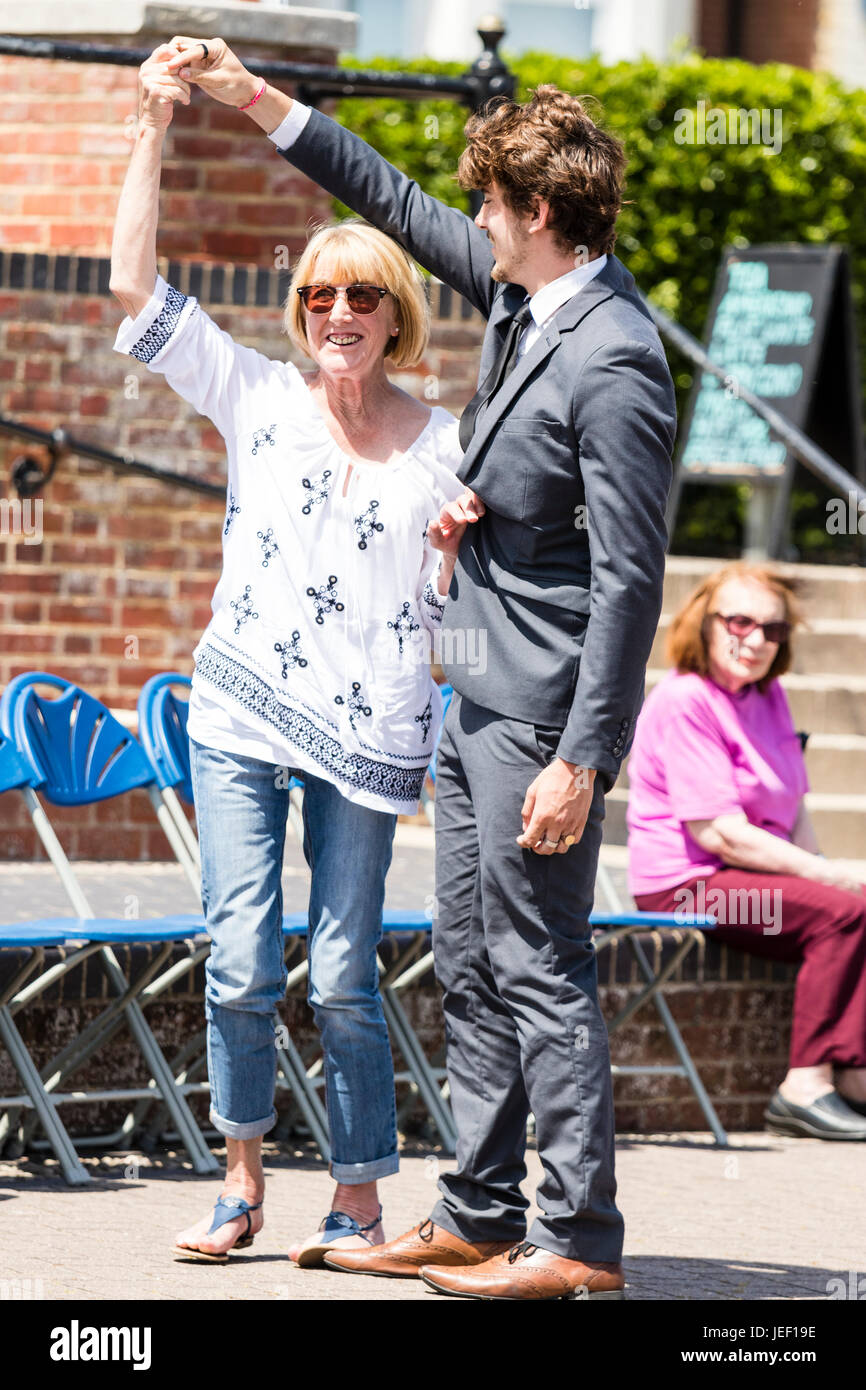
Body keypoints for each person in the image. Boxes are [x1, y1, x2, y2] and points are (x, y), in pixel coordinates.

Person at [163, 35, 677, 1301]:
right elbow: (384, 196)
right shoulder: (527, 300)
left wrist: (583, 755)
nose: (474, 225)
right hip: (472, 685)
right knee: (467, 955)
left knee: (540, 964)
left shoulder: (611, 354)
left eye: (491, 206)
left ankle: (576, 1242)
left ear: (538, 213)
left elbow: (627, 574)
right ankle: (476, 1209)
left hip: (538, 711)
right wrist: (251, 96)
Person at [110, 45, 469, 1266]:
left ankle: (360, 1197)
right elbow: (130, 288)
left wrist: (462, 571)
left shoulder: (448, 447)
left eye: (361, 298)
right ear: (299, 310)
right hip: (240, 711)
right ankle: (241, 1178)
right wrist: (154, 124)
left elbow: (472, 613)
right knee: (239, 956)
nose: (337, 317)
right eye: (318, 297)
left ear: (395, 314)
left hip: (367, 736)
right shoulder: (254, 396)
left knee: (346, 971)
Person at [626, 562, 866, 1141]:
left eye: (773, 630)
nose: (755, 640)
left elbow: (794, 807)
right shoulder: (687, 699)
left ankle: (856, 1078)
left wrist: (829, 875)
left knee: (853, 903)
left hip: (743, 877)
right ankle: (803, 1086)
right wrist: (828, 877)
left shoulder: (769, 696)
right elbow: (720, 834)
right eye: (739, 621)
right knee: (845, 911)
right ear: (705, 623)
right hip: (686, 884)